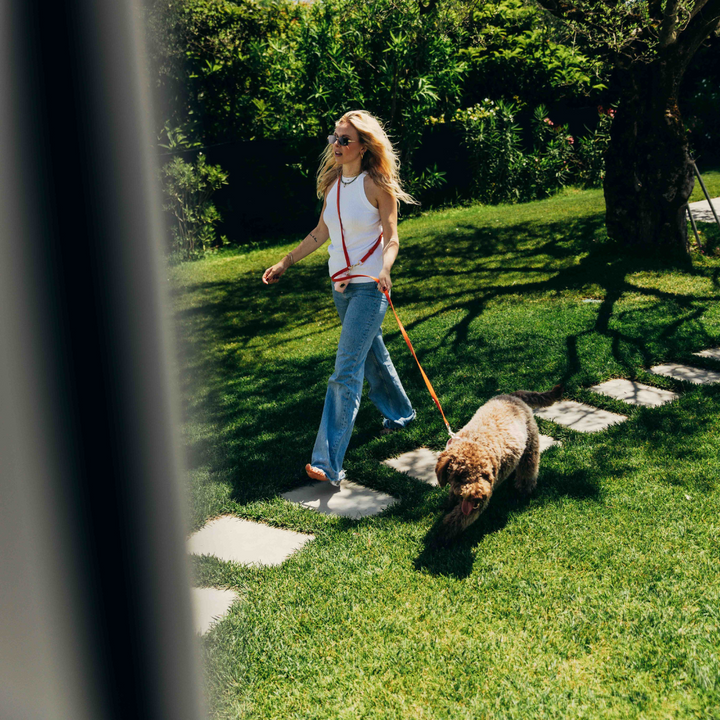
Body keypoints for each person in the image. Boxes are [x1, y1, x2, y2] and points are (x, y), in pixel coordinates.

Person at [261, 110, 417, 487]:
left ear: (364, 146)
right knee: (371, 354)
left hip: (370, 287)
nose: (336, 145)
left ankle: (327, 462)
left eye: (345, 140)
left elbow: (393, 238)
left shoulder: (378, 186)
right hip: (341, 288)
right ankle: (401, 414)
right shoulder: (333, 187)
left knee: (345, 370)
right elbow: (320, 233)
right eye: (334, 138)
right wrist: (286, 261)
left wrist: (386, 268)